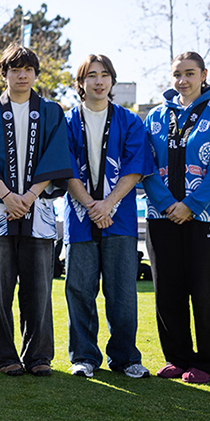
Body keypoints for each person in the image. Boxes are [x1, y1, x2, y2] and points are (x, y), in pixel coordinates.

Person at [0, 44, 73, 377]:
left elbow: (57, 155)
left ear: (35, 74)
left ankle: (39, 356)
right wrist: (7, 196)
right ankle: (3, 356)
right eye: (15, 70)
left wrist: (27, 195)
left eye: (28, 70)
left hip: (38, 212)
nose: (22, 75)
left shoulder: (51, 111)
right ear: (5, 74)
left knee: (39, 288)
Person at [142, 52, 210, 384]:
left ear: (203, 75)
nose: (183, 80)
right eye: (177, 74)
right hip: (161, 216)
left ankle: (208, 363)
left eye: (189, 73)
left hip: (205, 216)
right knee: (168, 291)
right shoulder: (154, 118)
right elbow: (145, 166)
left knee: (204, 291)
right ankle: (177, 358)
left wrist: (191, 205)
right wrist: (168, 204)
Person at [63, 55, 154, 379]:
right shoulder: (69, 121)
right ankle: (84, 357)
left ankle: (126, 358)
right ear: (81, 83)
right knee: (79, 290)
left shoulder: (130, 121)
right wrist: (92, 205)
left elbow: (135, 167)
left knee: (123, 293)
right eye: (91, 76)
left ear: (112, 82)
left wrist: (108, 205)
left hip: (121, 219)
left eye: (104, 75)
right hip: (80, 217)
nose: (98, 81)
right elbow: (67, 168)